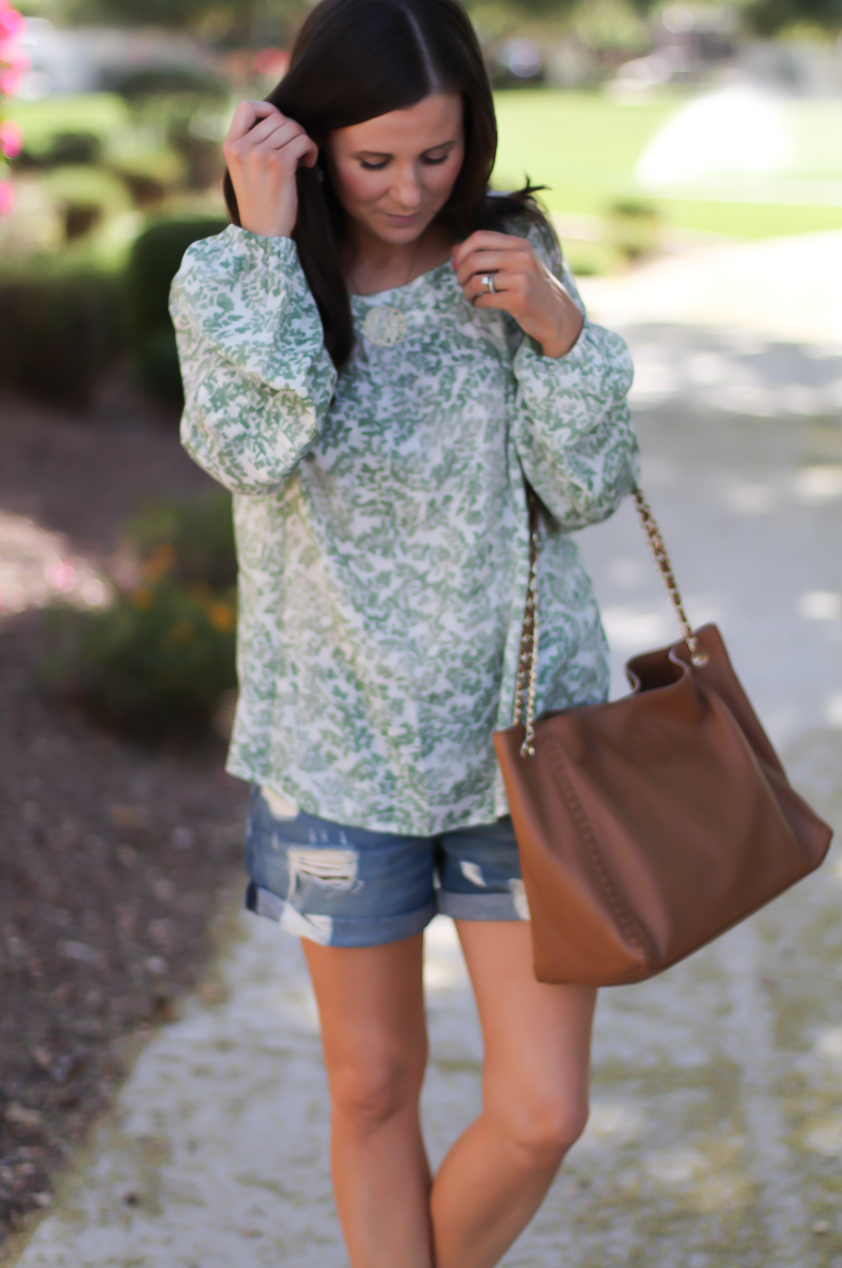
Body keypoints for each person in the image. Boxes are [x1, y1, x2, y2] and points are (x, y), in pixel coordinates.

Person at [170, 0, 638, 1263]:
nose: (408, 186)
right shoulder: (231, 277)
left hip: (522, 746)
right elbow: (251, 451)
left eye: (436, 154)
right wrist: (270, 245)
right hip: (337, 753)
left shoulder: (508, 256)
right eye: (374, 159)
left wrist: (558, 331)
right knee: (372, 1089)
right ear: (309, 139)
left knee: (541, 1110)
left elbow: (587, 491)